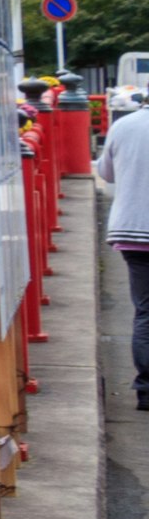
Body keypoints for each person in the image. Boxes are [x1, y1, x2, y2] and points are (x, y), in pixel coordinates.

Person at [101, 86, 149, 407]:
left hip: (132, 230)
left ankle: (145, 388)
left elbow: (107, 173)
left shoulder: (123, 126)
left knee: (145, 310)